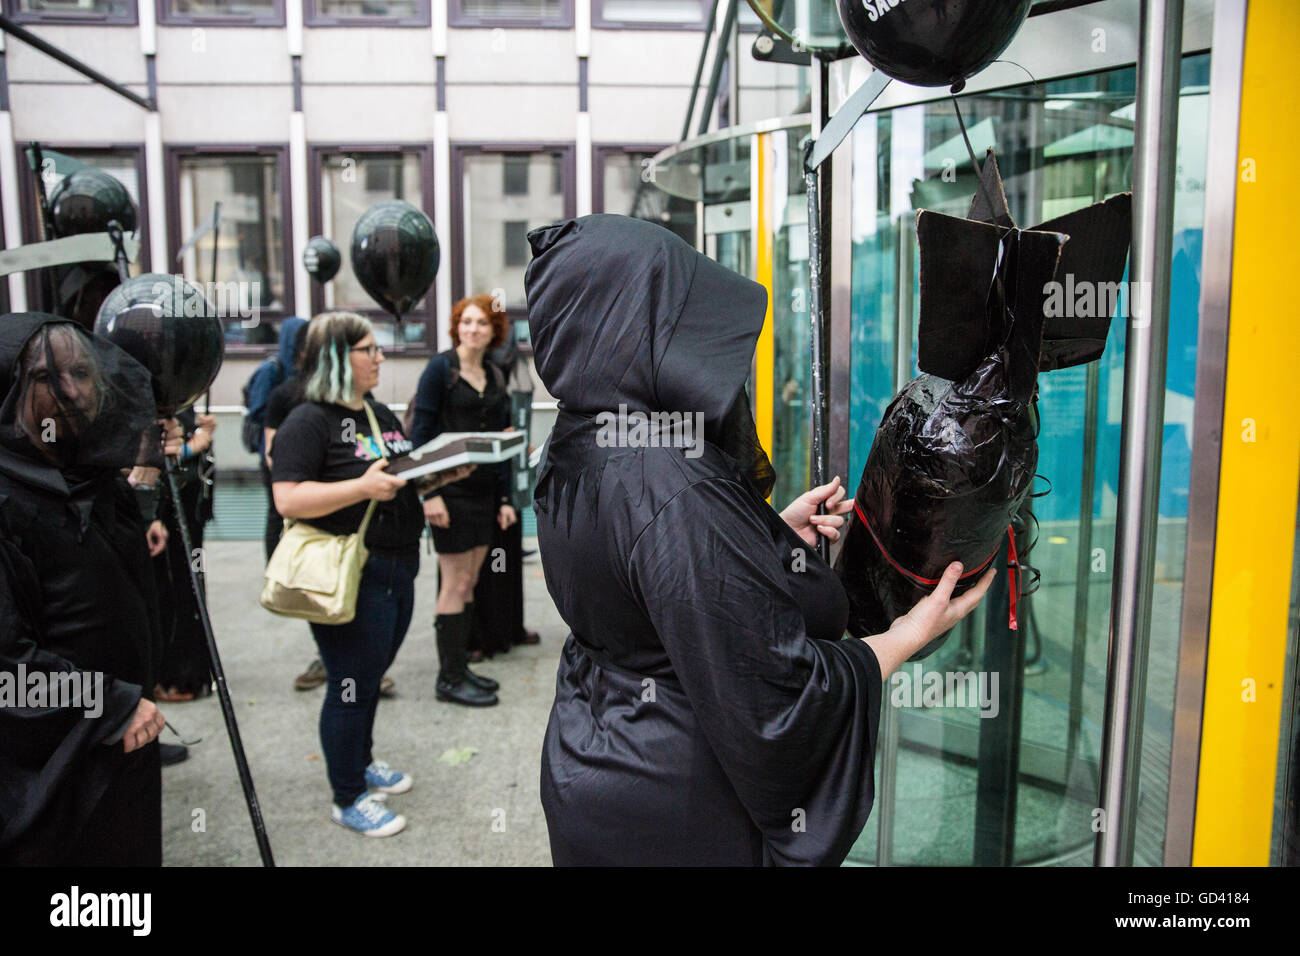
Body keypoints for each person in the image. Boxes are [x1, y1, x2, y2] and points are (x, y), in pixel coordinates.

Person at [525, 215, 995, 866]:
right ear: (637, 328)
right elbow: (773, 694)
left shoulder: (580, 438)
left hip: (594, 757)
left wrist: (762, 536)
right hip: (682, 807)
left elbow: (641, 582)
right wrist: (907, 634)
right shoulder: (671, 480)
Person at [270, 311, 466, 837]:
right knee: (351, 681)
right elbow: (287, 496)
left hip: (398, 566)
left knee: (370, 674)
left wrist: (444, 472)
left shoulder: (378, 414)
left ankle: (361, 760)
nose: (380, 357)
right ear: (336, 357)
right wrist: (358, 489)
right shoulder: (307, 420)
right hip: (349, 571)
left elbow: (400, 475)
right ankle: (347, 795)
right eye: (367, 349)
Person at [0, 314, 183, 865]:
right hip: (53, 761)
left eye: (81, 371)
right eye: (45, 379)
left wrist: (145, 475)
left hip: (123, 741)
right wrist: (111, 704)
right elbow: (7, 665)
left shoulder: (91, 475)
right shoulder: (7, 500)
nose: (72, 391)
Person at [409, 294, 517, 707]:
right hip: (449, 494)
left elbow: (502, 440)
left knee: (470, 580)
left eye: (482, 324)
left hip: (484, 494)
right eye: (467, 322)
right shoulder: (440, 369)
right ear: (457, 326)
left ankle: (462, 667)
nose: (473, 329)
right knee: (454, 581)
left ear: (494, 332)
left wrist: (506, 497)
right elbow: (419, 436)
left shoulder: (493, 372)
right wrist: (429, 493)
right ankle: (449, 679)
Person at [153, 408, 217, 705]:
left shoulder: (181, 400)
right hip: (164, 513)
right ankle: (173, 675)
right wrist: (194, 445)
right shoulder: (149, 396)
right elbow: (142, 461)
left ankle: (192, 672)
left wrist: (202, 436)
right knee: (171, 589)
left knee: (190, 586)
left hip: (189, 513)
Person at [250, 316, 308, 561]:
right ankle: (274, 565)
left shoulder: (303, 374)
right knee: (277, 513)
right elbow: (259, 411)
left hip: (297, 453)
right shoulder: (271, 370)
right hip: (272, 452)